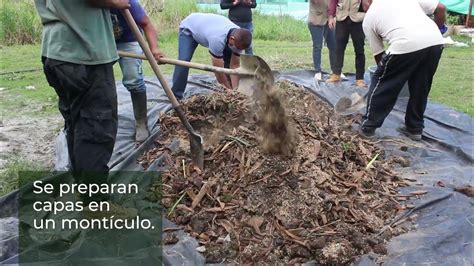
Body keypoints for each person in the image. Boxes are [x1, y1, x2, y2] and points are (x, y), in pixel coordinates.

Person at [34, 0, 136, 217]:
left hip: (59, 51)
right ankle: (96, 203)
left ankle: (82, 185)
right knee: (96, 128)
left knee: (77, 122)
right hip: (84, 53)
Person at [358, 0, 446, 140]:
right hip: (435, 42)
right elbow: (440, 8)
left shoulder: (369, 19)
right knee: (420, 86)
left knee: (383, 84)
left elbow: (379, 55)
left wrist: (384, 78)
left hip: (406, 43)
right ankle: (414, 129)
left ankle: (368, 127)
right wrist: (438, 30)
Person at [110, 0, 165, 142]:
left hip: (129, 41)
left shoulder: (129, 2)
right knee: (102, 82)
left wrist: (154, 48)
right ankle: (105, 121)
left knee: (134, 81)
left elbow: (146, 24)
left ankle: (141, 122)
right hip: (104, 42)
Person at [171, 13, 252, 100]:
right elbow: (217, 70)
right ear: (232, 39)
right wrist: (227, 90)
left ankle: (231, 90)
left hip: (208, 29)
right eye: (236, 47)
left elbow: (234, 66)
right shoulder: (217, 39)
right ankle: (176, 96)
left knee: (228, 64)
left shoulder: (240, 38)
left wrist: (236, 92)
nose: (237, 49)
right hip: (189, 28)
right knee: (184, 62)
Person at [327, 0, 366, 87]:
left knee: (359, 50)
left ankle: (360, 78)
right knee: (339, 48)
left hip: (358, 19)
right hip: (342, 18)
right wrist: (330, 16)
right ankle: (336, 74)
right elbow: (333, 1)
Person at [308, 0, 336, 81]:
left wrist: (331, 16)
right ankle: (318, 71)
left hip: (329, 20)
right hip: (316, 21)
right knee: (317, 46)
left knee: (333, 45)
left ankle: (335, 71)